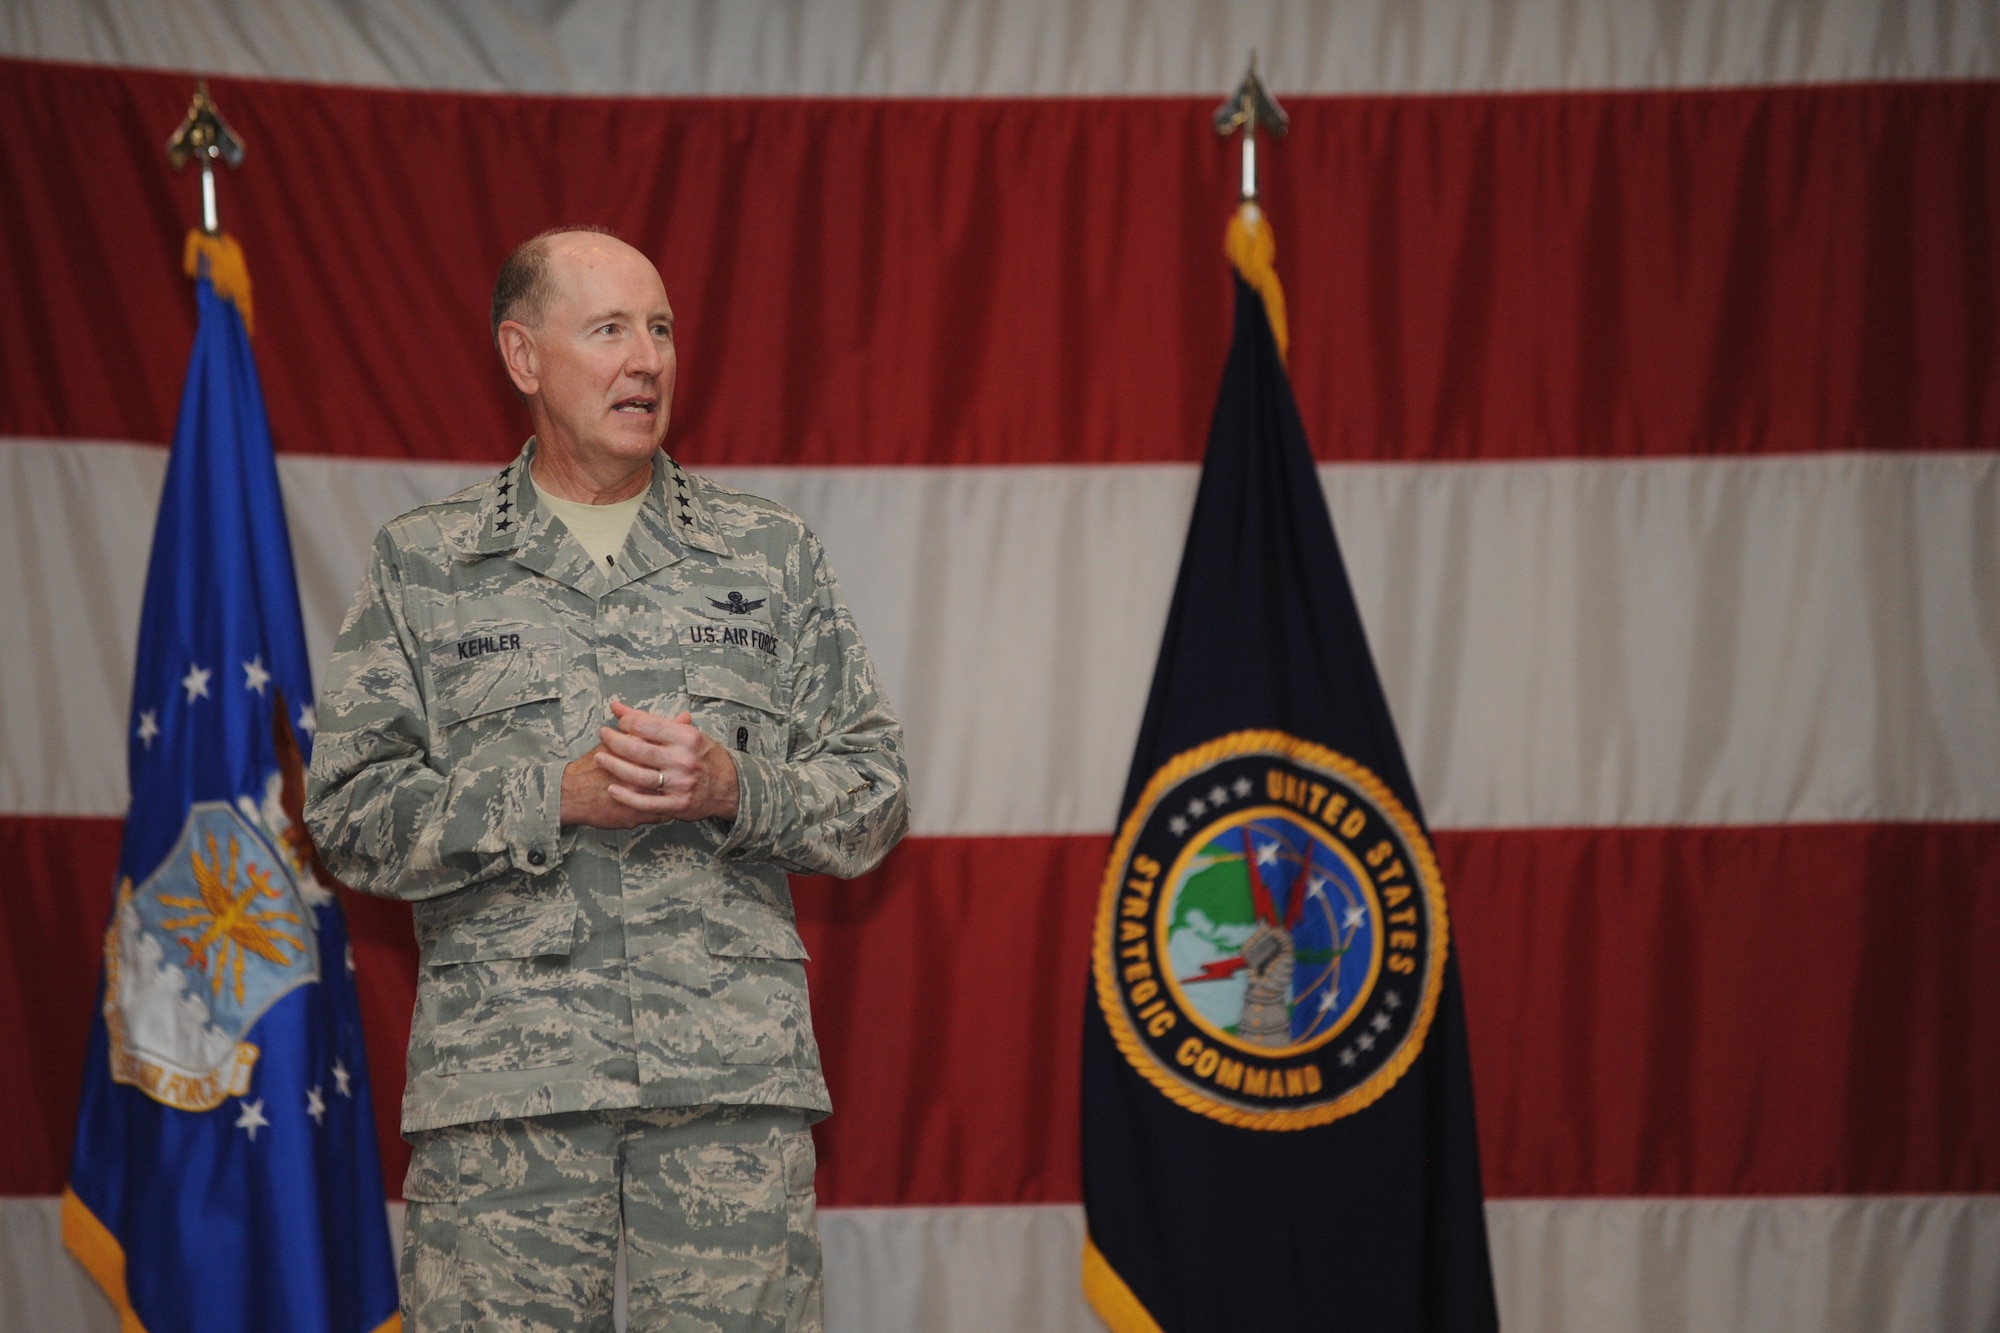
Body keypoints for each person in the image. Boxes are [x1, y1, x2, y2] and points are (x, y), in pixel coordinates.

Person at [305, 225, 909, 1332]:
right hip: (506, 1103)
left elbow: (872, 794)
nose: (648, 359)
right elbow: (345, 818)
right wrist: (551, 795)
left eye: (662, 328)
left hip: (726, 1087)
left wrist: (736, 787)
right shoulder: (426, 562)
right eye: (610, 329)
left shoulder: (765, 553)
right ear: (523, 356)